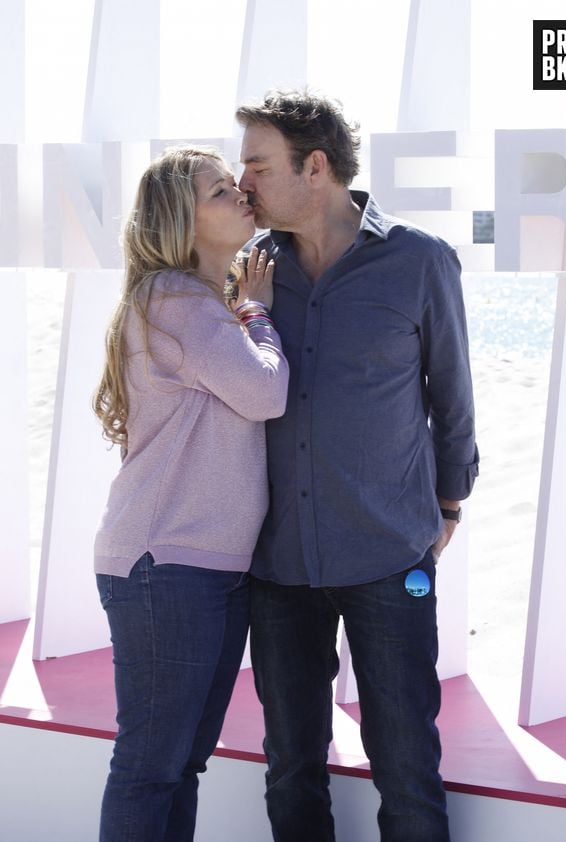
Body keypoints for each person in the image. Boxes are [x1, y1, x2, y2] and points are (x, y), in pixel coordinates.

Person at [235, 90, 479, 842]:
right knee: (291, 769)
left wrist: (448, 507)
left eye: (257, 165)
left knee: (406, 769)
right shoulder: (251, 270)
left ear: (315, 167)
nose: (244, 183)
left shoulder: (419, 261)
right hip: (277, 567)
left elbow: (454, 397)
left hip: (388, 559)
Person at [92, 144, 289, 842]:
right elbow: (264, 392)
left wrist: (240, 309)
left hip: (203, 569)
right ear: (182, 220)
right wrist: (257, 311)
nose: (239, 195)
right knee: (152, 767)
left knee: (179, 765)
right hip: (166, 567)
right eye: (217, 193)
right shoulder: (175, 298)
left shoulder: (201, 304)